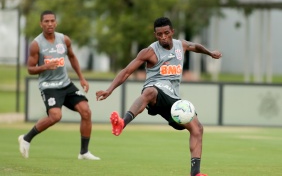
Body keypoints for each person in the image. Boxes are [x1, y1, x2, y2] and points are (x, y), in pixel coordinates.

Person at [96, 17, 222, 176]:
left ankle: (195, 173)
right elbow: (127, 71)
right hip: (157, 92)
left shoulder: (180, 45)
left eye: (166, 33)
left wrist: (210, 53)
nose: (163, 37)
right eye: (159, 34)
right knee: (149, 91)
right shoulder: (149, 52)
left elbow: (195, 46)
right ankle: (122, 123)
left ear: (172, 32)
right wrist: (110, 89)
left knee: (198, 129)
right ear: (155, 34)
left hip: (174, 100)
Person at [18, 10, 100, 160]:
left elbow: (73, 57)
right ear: (41, 24)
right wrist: (45, 67)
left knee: (86, 111)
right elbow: (30, 69)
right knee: (55, 116)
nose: (49, 24)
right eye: (46, 21)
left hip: (66, 84)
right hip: (49, 86)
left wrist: (81, 78)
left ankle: (84, 152)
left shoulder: (64, 40)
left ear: (56, 22)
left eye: (52, 21)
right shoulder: (36, 44)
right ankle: (26, 138)